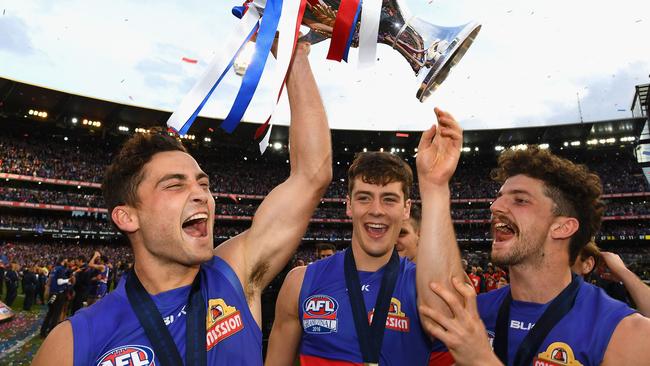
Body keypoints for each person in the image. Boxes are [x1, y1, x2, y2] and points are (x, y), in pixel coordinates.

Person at [33, 42, 332, 366]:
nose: (200, 193)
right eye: (175, 185)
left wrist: (294, 52)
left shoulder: (236, 274)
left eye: (203, 183)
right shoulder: (73, 343)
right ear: (127, 216)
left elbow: (311, 175)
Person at [265, 108, 464, 365]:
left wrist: (435, 186)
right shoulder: (300, 283)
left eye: (389, 199)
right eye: (364, 198)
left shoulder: (421, 286)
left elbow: (451, 318)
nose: (376, 210)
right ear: (349, 205)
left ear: (406, 209)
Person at [418, 146, 650, 365]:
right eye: (498, 197)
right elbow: (434, 303)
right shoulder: (474, 312)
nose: (495, 206)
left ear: (562, 227)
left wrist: (481, 360)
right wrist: (435, 187)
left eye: (520, 200)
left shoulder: (624, 332)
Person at [40, 257, 74, 337]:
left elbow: (50, 281)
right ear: (62, 262)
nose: (67, 262)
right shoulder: (61, 269)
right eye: (66, 260)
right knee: (56, 314)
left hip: (52, 293)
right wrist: (68, 280)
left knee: (50, 313)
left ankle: (43, 331)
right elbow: (59, 282)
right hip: (58, 294)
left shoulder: (54, 269)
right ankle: (51, 333)